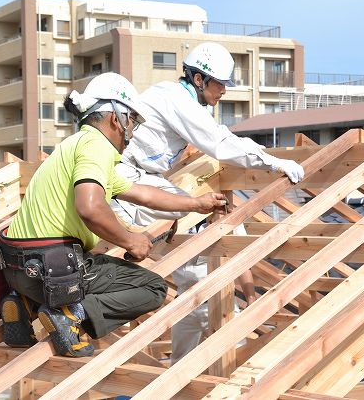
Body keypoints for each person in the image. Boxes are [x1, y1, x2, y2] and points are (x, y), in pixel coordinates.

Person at [0, 72, 228, 358]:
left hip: (16, 267)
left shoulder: (74, 147)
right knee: (152, 287)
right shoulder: (96, 147)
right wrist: (131, 240)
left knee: (86, 267)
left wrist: (195, 203)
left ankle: (23, 304)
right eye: (132, 120)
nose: (133, 131)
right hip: (52, 265)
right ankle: (73, 315)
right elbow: (90, 207)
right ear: (115, 118)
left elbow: (141, 193)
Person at [110, 42, 305, 363]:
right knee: (202, 275)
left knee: (198, 286)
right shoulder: (176, 100)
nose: (224, 91)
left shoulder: (180, 102)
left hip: (139, 182)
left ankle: (184, 360)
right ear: (198, 79)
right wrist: (271, 161)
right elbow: (219, 142)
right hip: (129, 185)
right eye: (220, 83)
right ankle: (194, 364)